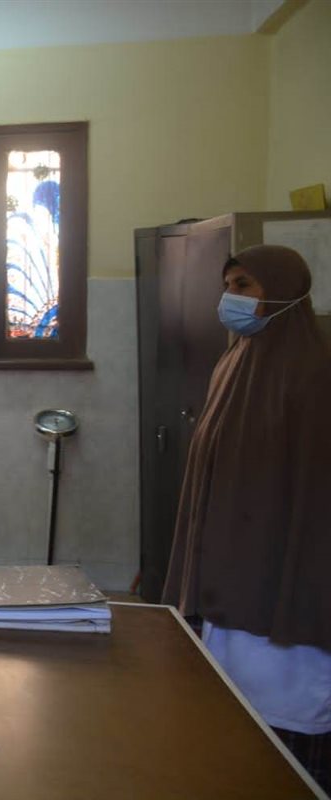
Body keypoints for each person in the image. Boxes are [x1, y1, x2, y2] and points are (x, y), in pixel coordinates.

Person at [163, 244, 330, 790]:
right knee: (226, 711)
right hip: (229, 563)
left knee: (282, 727)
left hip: (284, 575)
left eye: (244, 286)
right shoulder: (233, 361)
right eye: (227, 286)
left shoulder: (314, 375)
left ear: (283, 292)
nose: (229, 299)